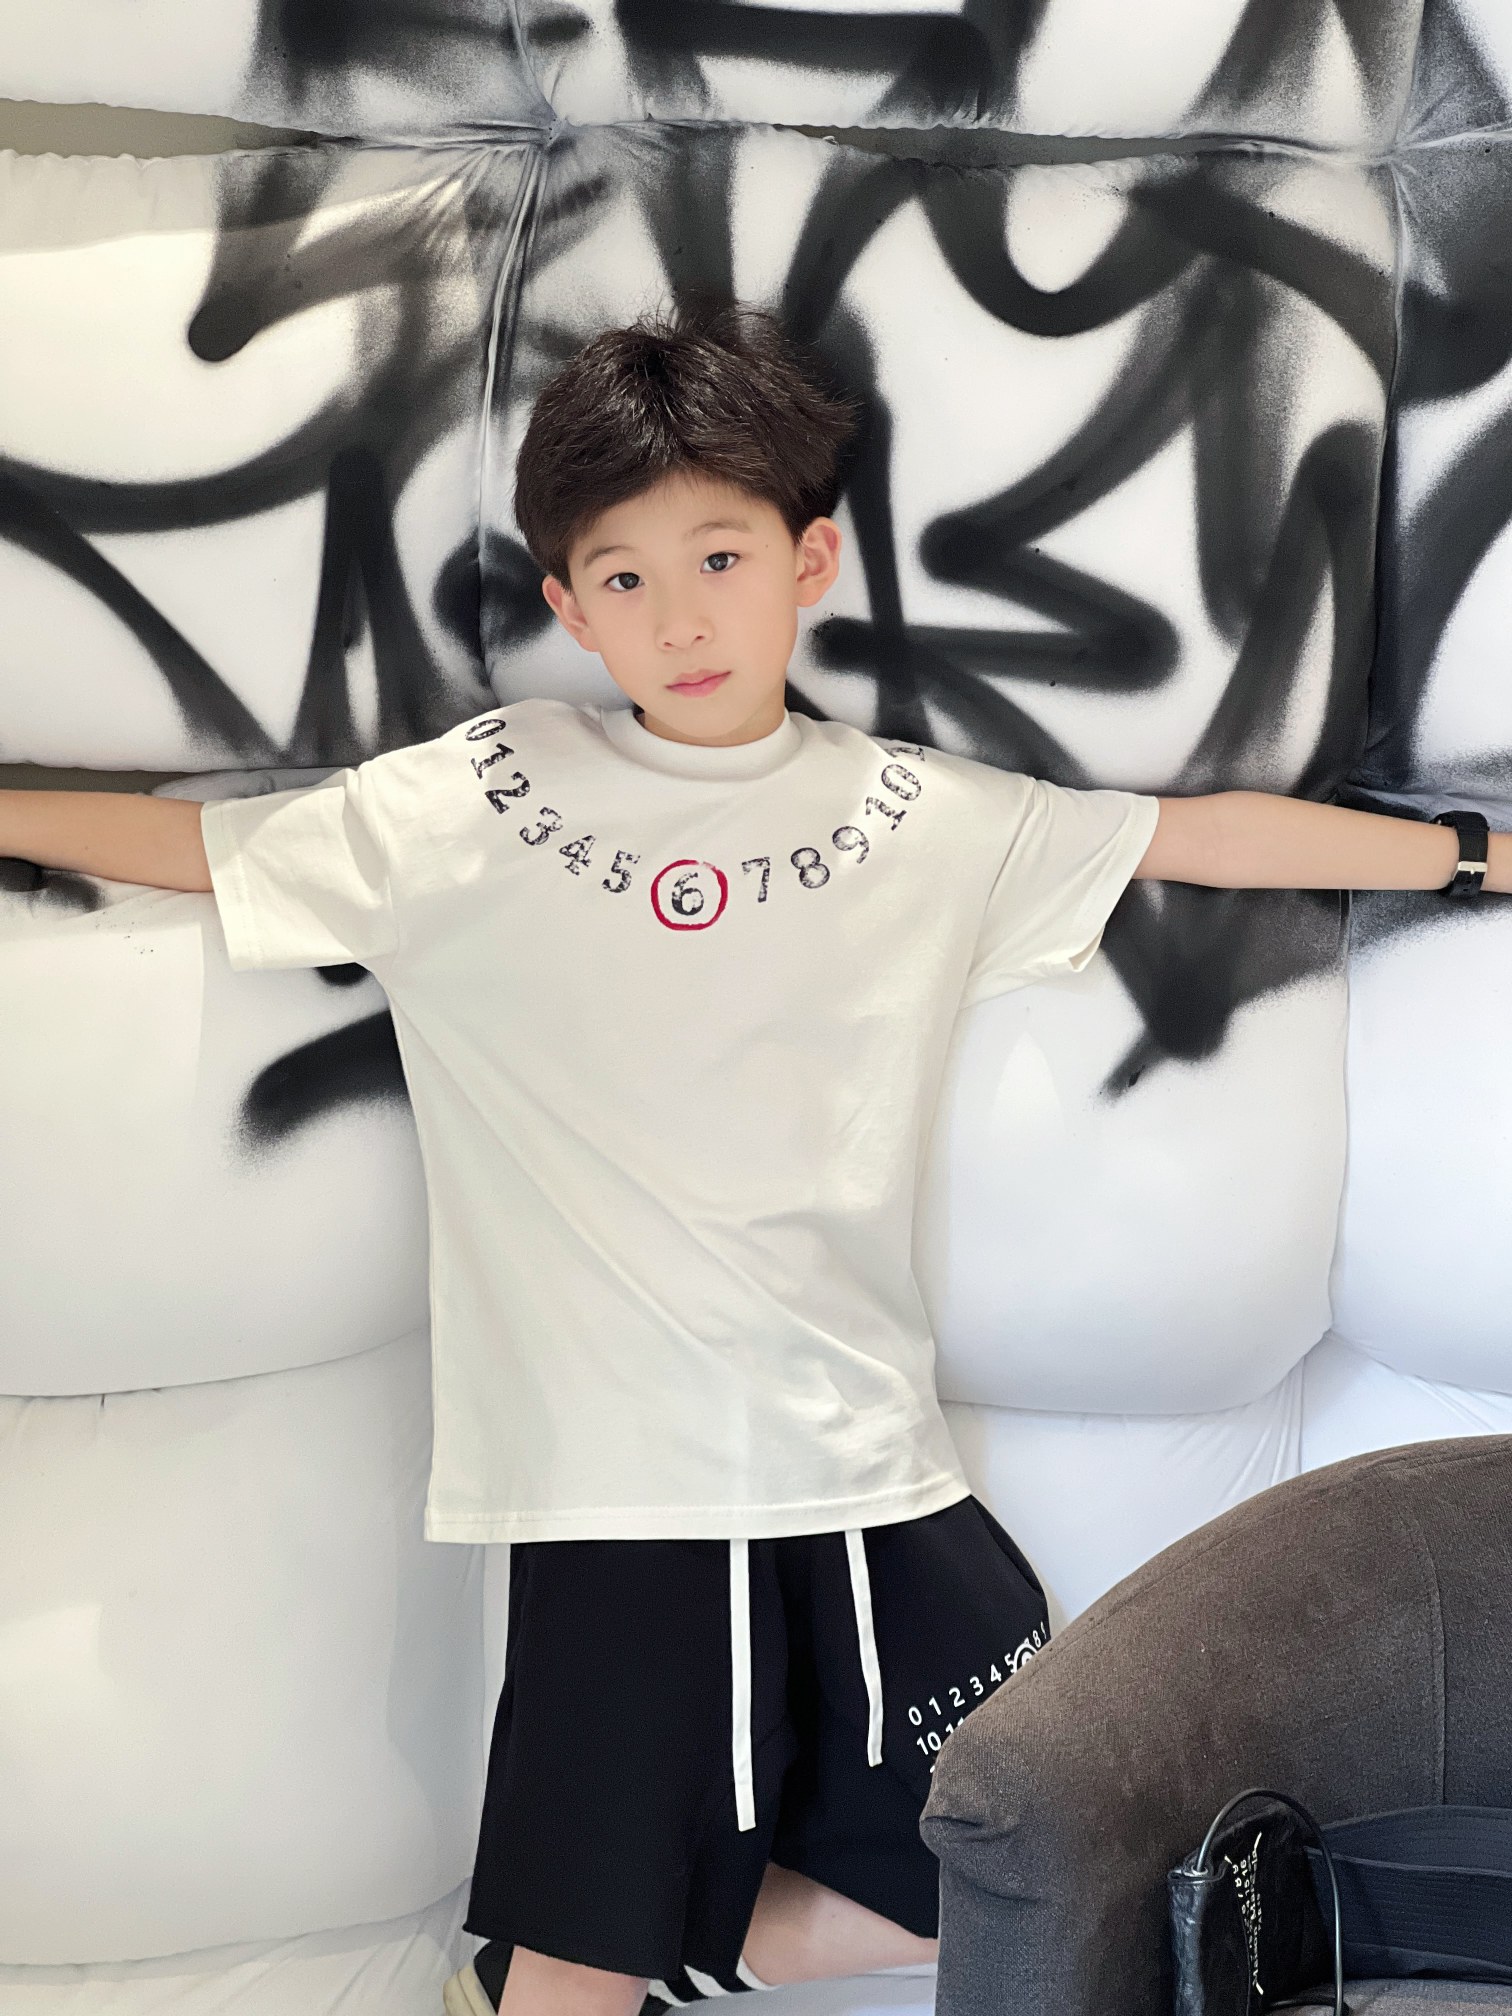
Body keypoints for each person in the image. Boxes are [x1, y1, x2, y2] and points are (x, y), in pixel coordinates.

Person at [1, 305, 1502, 2016]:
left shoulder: (919, 815)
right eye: (623, 578)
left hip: (870, 1464)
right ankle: (566, 1971)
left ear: (810, 560)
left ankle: (623, 1962)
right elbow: (203, 848)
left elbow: (1193, 838)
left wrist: (1472, 856)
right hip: (628, 1483)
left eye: (719, 557)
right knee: (587, 1965)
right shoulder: (477, 799)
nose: (679, 616)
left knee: (1055, 1845)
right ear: (570, 609)